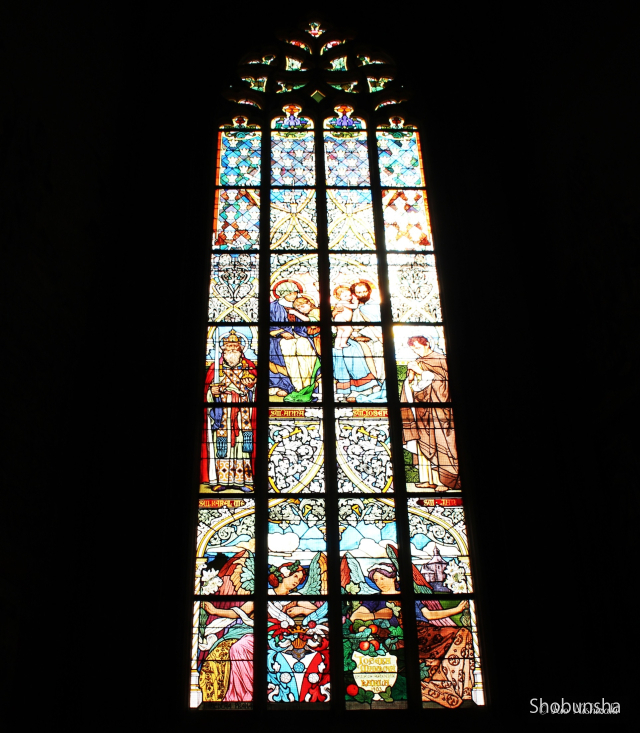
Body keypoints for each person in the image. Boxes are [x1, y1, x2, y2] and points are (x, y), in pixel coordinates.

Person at [401, 336, 460, 489]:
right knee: (424, 443)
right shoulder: (418, 362)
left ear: (427, 344)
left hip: (440, 412)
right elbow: (414, 386)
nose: (416, 351)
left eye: (418, 348)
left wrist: (420, 371)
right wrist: (410, 379)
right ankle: (429, 479)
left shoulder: (442, 360)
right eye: (413, 349)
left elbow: (444, 385)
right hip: (423, 411)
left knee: (443, 444)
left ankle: (446, 481)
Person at [201, 330, 257, 489]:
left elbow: (255, 391)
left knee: (242, 447)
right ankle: (221, 481)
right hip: (222, 415)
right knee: (222, 447)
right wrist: (212, 392)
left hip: (242, 415)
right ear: (223, 351)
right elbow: (207, 393)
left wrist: (251, 387)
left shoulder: (249, 367)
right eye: (228, 349)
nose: (232, 352)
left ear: (241, 350)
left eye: (235, 349)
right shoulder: (215, 368)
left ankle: (243, 481)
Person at [415, 599, 473, 708]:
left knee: (463, 633)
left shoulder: (415, 601)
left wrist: (457, 610)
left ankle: (459, 686)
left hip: (426, 630)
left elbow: (428, 614)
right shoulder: (381, 602)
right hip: (410, 634)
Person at [197, 601, 254, 703]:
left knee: (238, 648)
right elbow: (240, 612)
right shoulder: (258, 601)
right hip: (245, 632)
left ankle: (246, 694)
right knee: (217, 656)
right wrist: (215, 611)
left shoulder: (283, 603)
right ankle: (216, 699)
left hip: (268, 633)